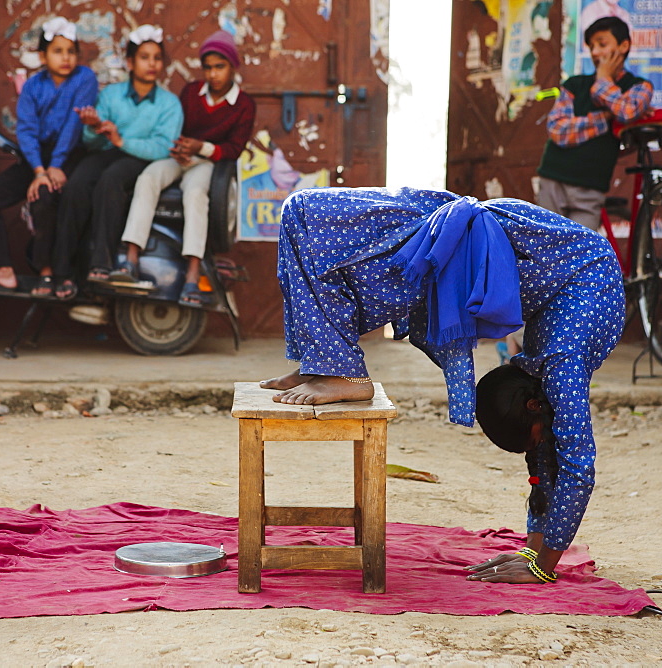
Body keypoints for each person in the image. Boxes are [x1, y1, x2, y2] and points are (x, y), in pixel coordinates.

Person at [260, 187, 625, 584]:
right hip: (567, 267)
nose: (537, 447)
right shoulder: (544, 375)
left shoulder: (560, 361)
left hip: (585, 282)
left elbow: (578, 464)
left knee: (560, 439)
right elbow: (544, 455)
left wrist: (540, 562)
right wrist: (532, 553)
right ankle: (324, 361)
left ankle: (337, 364)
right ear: (532, 406)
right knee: (302, 210)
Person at [120, 30, 255, 305]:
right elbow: (175, 128)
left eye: (220, 67)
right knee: (148, 178)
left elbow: (234, 149)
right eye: (208, 67)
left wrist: (200, 148)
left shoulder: (243, 105)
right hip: (179, 156)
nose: (213, 74)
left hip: (208, 163)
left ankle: (192, 275)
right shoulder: (191, 92)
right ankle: (130, 259)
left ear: (233, 67)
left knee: (194, 194)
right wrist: (179, 149)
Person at [0, 17, 98, 297]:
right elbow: (26, 130)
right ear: (42, 56)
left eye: (71, 51)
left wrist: (56, 167)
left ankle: (51, 273)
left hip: (71, 154)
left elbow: (72, 127)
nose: (66, 58)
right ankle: (1, 268)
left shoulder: (85, 78)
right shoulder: (32, 87)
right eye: (58, 51)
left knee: (46, 200)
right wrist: (39, 171)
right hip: (36, 157)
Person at [51, 24, 183, 298]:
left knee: (111, 180)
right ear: (130, 62)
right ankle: (61, 272)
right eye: (144, 57)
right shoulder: (111, 95)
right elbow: (93, 144)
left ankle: (101, 263)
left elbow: (162, 148)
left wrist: (122, 141)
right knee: (76, 184)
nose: (151, 64)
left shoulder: (170, 104)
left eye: (156, 58)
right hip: (107, 153)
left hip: (142, 160)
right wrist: (93, 127)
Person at [536, 16, 652, 230]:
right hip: (554, 180)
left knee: (581, 254)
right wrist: (607, 117)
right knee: (547, 251)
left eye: (602, 44)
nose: (596, 52)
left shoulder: (639, 87)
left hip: (591, 188)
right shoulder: (574, 85)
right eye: (592, 47)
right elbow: (559, 131)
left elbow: (626, 112)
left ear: (624, 46)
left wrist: (603, 81)